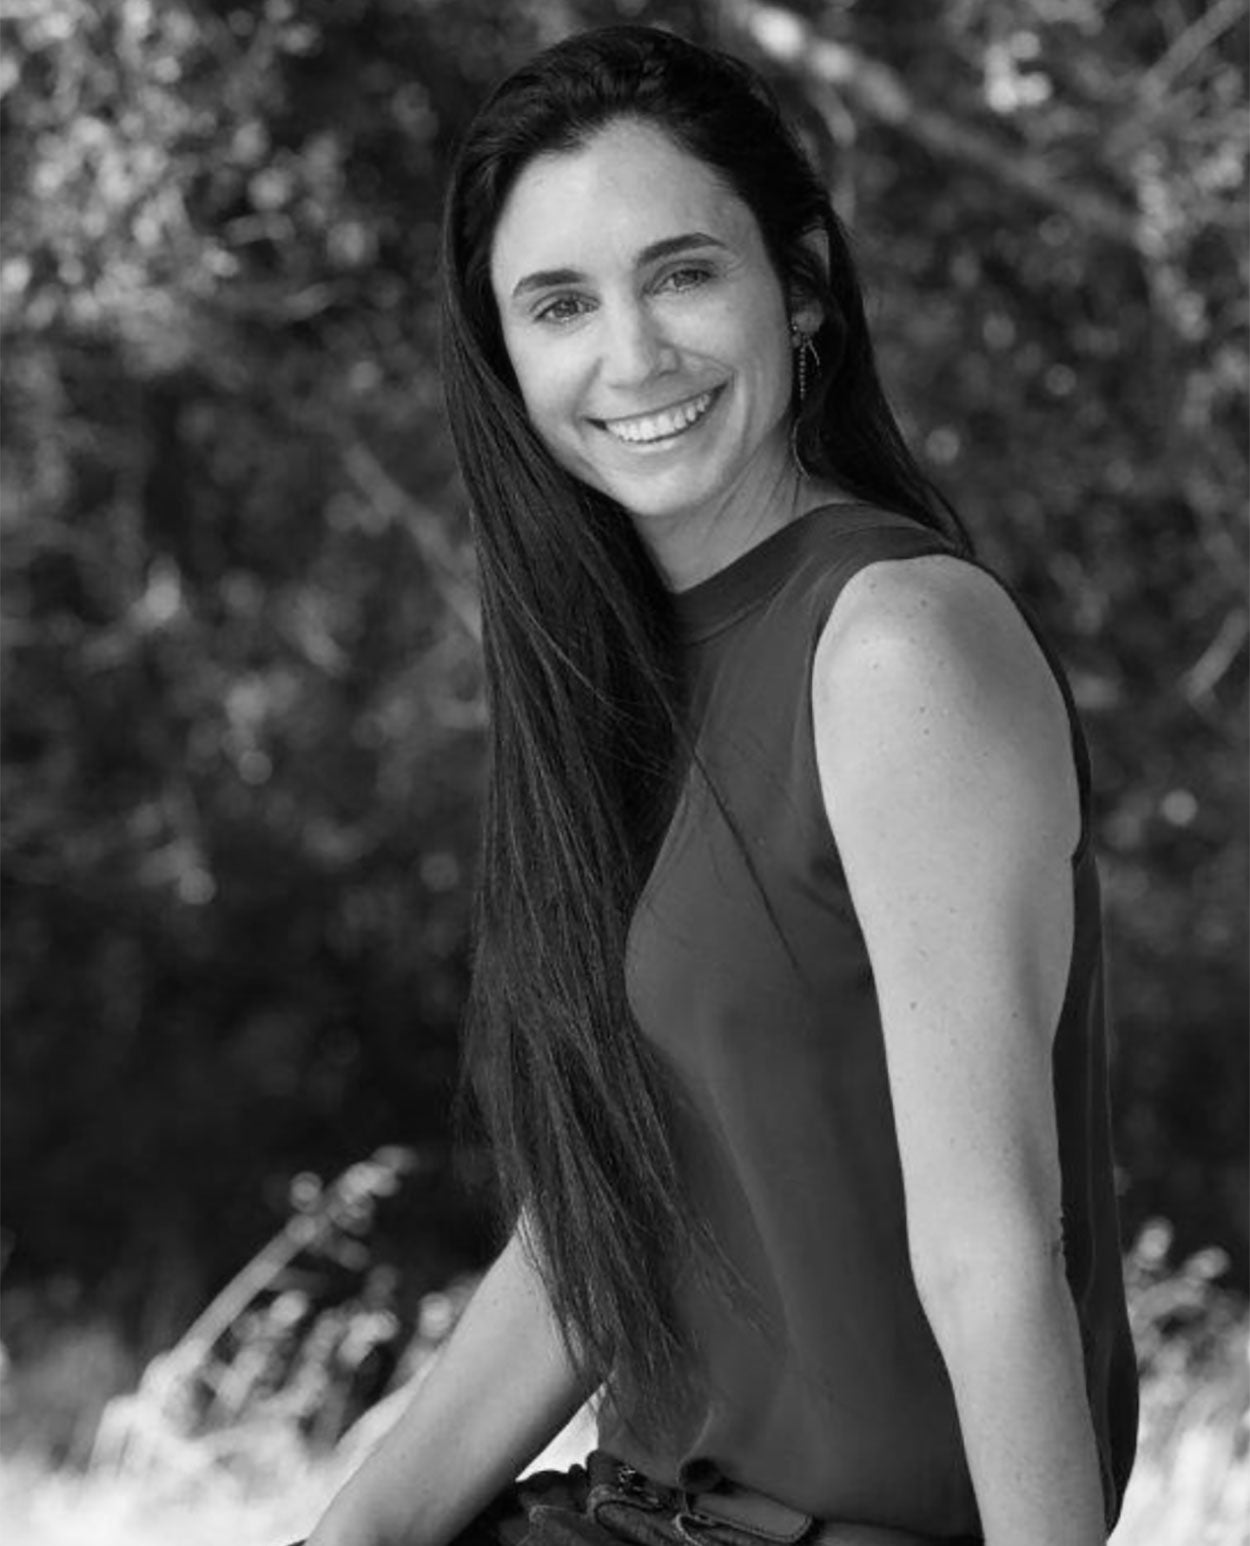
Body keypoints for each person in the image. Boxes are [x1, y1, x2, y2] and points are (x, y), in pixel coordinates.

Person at [303, 24, 1137, 1546]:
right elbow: (598, 1225)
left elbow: (996, 1248)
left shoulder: (892, 645)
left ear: (800, 287)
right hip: (631, 1516)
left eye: (681, 273)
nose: (631, 357)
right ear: (506, 355)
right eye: (560, 304)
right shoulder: (614, 677)